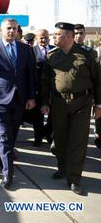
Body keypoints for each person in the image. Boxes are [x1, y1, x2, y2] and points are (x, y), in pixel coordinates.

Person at [40, 22, 101, 195]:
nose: (54, 37)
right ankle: (62, 168)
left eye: (57, 34)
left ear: (68, 36)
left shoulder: (87, 54)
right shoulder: (51, 56)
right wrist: (45, 102)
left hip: (82, 103)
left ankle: (74, 178)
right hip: (59, 103)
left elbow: (98, 80)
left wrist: (99, 105)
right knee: (59, 138)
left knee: (78, 141)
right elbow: (45, 81)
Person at [0, 18, 36, 189]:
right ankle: (8, 173)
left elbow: (30, 75)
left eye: (14, 28)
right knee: (5, 135)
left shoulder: (26, 49)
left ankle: (3, 157)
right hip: (0, 99)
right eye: (8, 28)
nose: (11, 31)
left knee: (11, 134)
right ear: (2, 30)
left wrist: (31, 97)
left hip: (19, 99)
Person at [75, 23, 101, 149]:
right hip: (66, 97)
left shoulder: (91, 53)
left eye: (81, 33)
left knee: (81, 127)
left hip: (85, 95)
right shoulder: (63, 50)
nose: (78, 36)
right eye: (76, 33)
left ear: (85, 35)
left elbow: (95, 76)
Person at [33, 29, 55, 146]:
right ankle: (38, 138)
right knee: (38, 117)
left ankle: (47, 134)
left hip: (53, 89)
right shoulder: (32, 51)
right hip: (38, 89)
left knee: (53, 116)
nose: (44, 40)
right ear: (37, 39)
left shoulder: (55, 50)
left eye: (46, 37)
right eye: (41, 37)